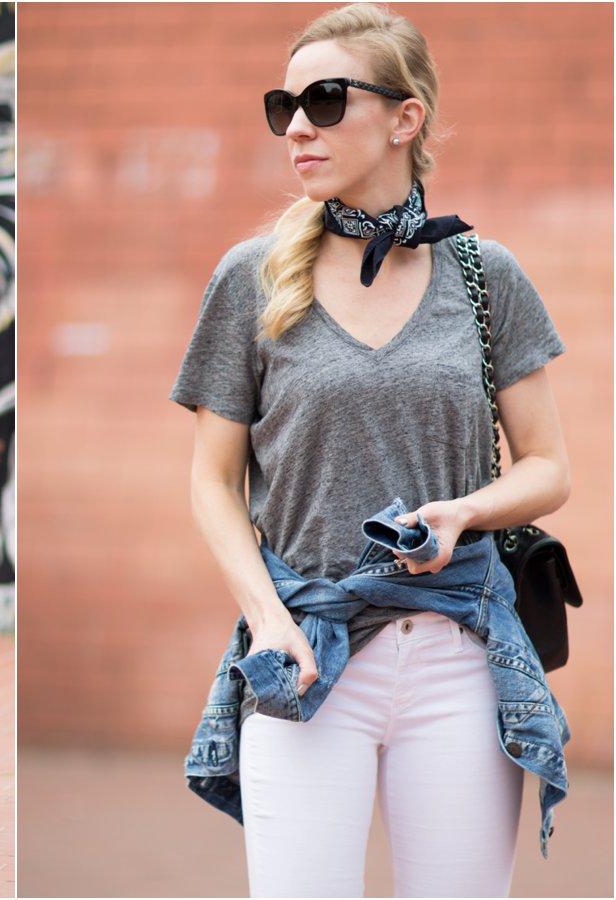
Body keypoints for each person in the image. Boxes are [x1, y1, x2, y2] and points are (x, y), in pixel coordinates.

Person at [169, 4, 571, 896]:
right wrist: (267, 618)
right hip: (306, 652)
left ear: (405, 117)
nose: (298, 125)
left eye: (325, 98)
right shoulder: (252, 276)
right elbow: (210, 481)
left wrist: (463, 511)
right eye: (285, 106)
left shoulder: (483, 273)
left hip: (460, 658)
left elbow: (550, 468)